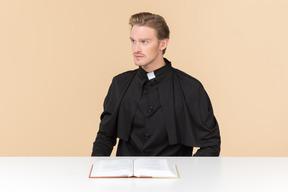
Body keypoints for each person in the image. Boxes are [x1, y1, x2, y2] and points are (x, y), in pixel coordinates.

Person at [91, 12, 221, 156]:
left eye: (144, 42)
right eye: (133, 41)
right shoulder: (119, 84)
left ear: (163, 43)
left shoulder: (191, 88)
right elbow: (105, 136)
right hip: (127, 177)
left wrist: (188, 173)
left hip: (174, 177)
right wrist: (98, 171)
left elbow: (211, 143)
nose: (136, 49)